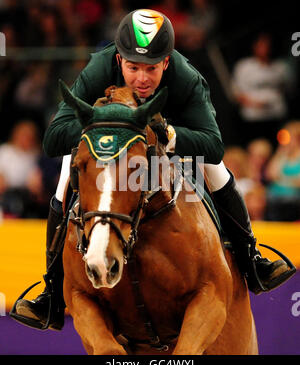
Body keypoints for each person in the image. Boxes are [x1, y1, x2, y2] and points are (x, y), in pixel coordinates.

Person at [12, 9, 294, 331]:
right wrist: (108, 130)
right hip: (110, 149)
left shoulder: (185, 77)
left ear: (167, 63)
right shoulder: (99, 67)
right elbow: (52, 138)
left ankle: (251, 258)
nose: (142, 79)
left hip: (170, 140)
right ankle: (50, 292)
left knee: (216, 170)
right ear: (119, 61)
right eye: (133, 68)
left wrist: (168, 136)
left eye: (151, 69)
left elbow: (213, 144)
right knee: (65, 178)